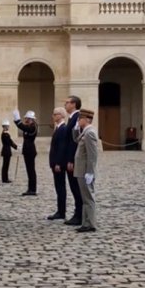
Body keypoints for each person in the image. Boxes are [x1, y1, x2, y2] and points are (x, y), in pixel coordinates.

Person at [74, 109, 98, 233]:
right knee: (85, 198)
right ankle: (86, 222)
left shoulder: (90, 133)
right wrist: (76, 128)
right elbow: (76, 140)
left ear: (87, 119)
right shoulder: (85, 132)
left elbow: (92, 155)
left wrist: (90, 171)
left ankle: (91, 223)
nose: (78, 121)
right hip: (81, 170)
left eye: (80, 119)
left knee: (88, 197)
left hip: (85, 171)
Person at [63, 96, 84, 226]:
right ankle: (78, 213)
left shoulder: (77, 118)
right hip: (69, 157)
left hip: (73, 159)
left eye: (67, 102)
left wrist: (71, 159)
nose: (65, 105)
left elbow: (74, 141)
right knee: (73, 187)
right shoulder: (72, 118)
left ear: (74, 104)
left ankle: (79, 214)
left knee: (76, 188)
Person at [48, 107, 68, 220]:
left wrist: (58, 163)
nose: (53, 116)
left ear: (61, 115)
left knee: (60, 187)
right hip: (55, 162)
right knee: (58, 187)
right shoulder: (58, 128)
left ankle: (61, 211)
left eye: (55, 114)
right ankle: (60, 210)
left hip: (58, 164)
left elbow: (61, 148)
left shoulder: (63, 129)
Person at [13, 109, 38, 196]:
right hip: (27, 150)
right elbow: (22, 127)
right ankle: (30, 188)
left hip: (30, 151)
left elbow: (24, 127)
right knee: (29, 170)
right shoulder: (29, 125)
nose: (25, 120)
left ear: (30, 119)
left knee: (31, 170)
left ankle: (33, 189)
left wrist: (18, 120)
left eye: (27, 118)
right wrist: (16, 121)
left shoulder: (33, 126)